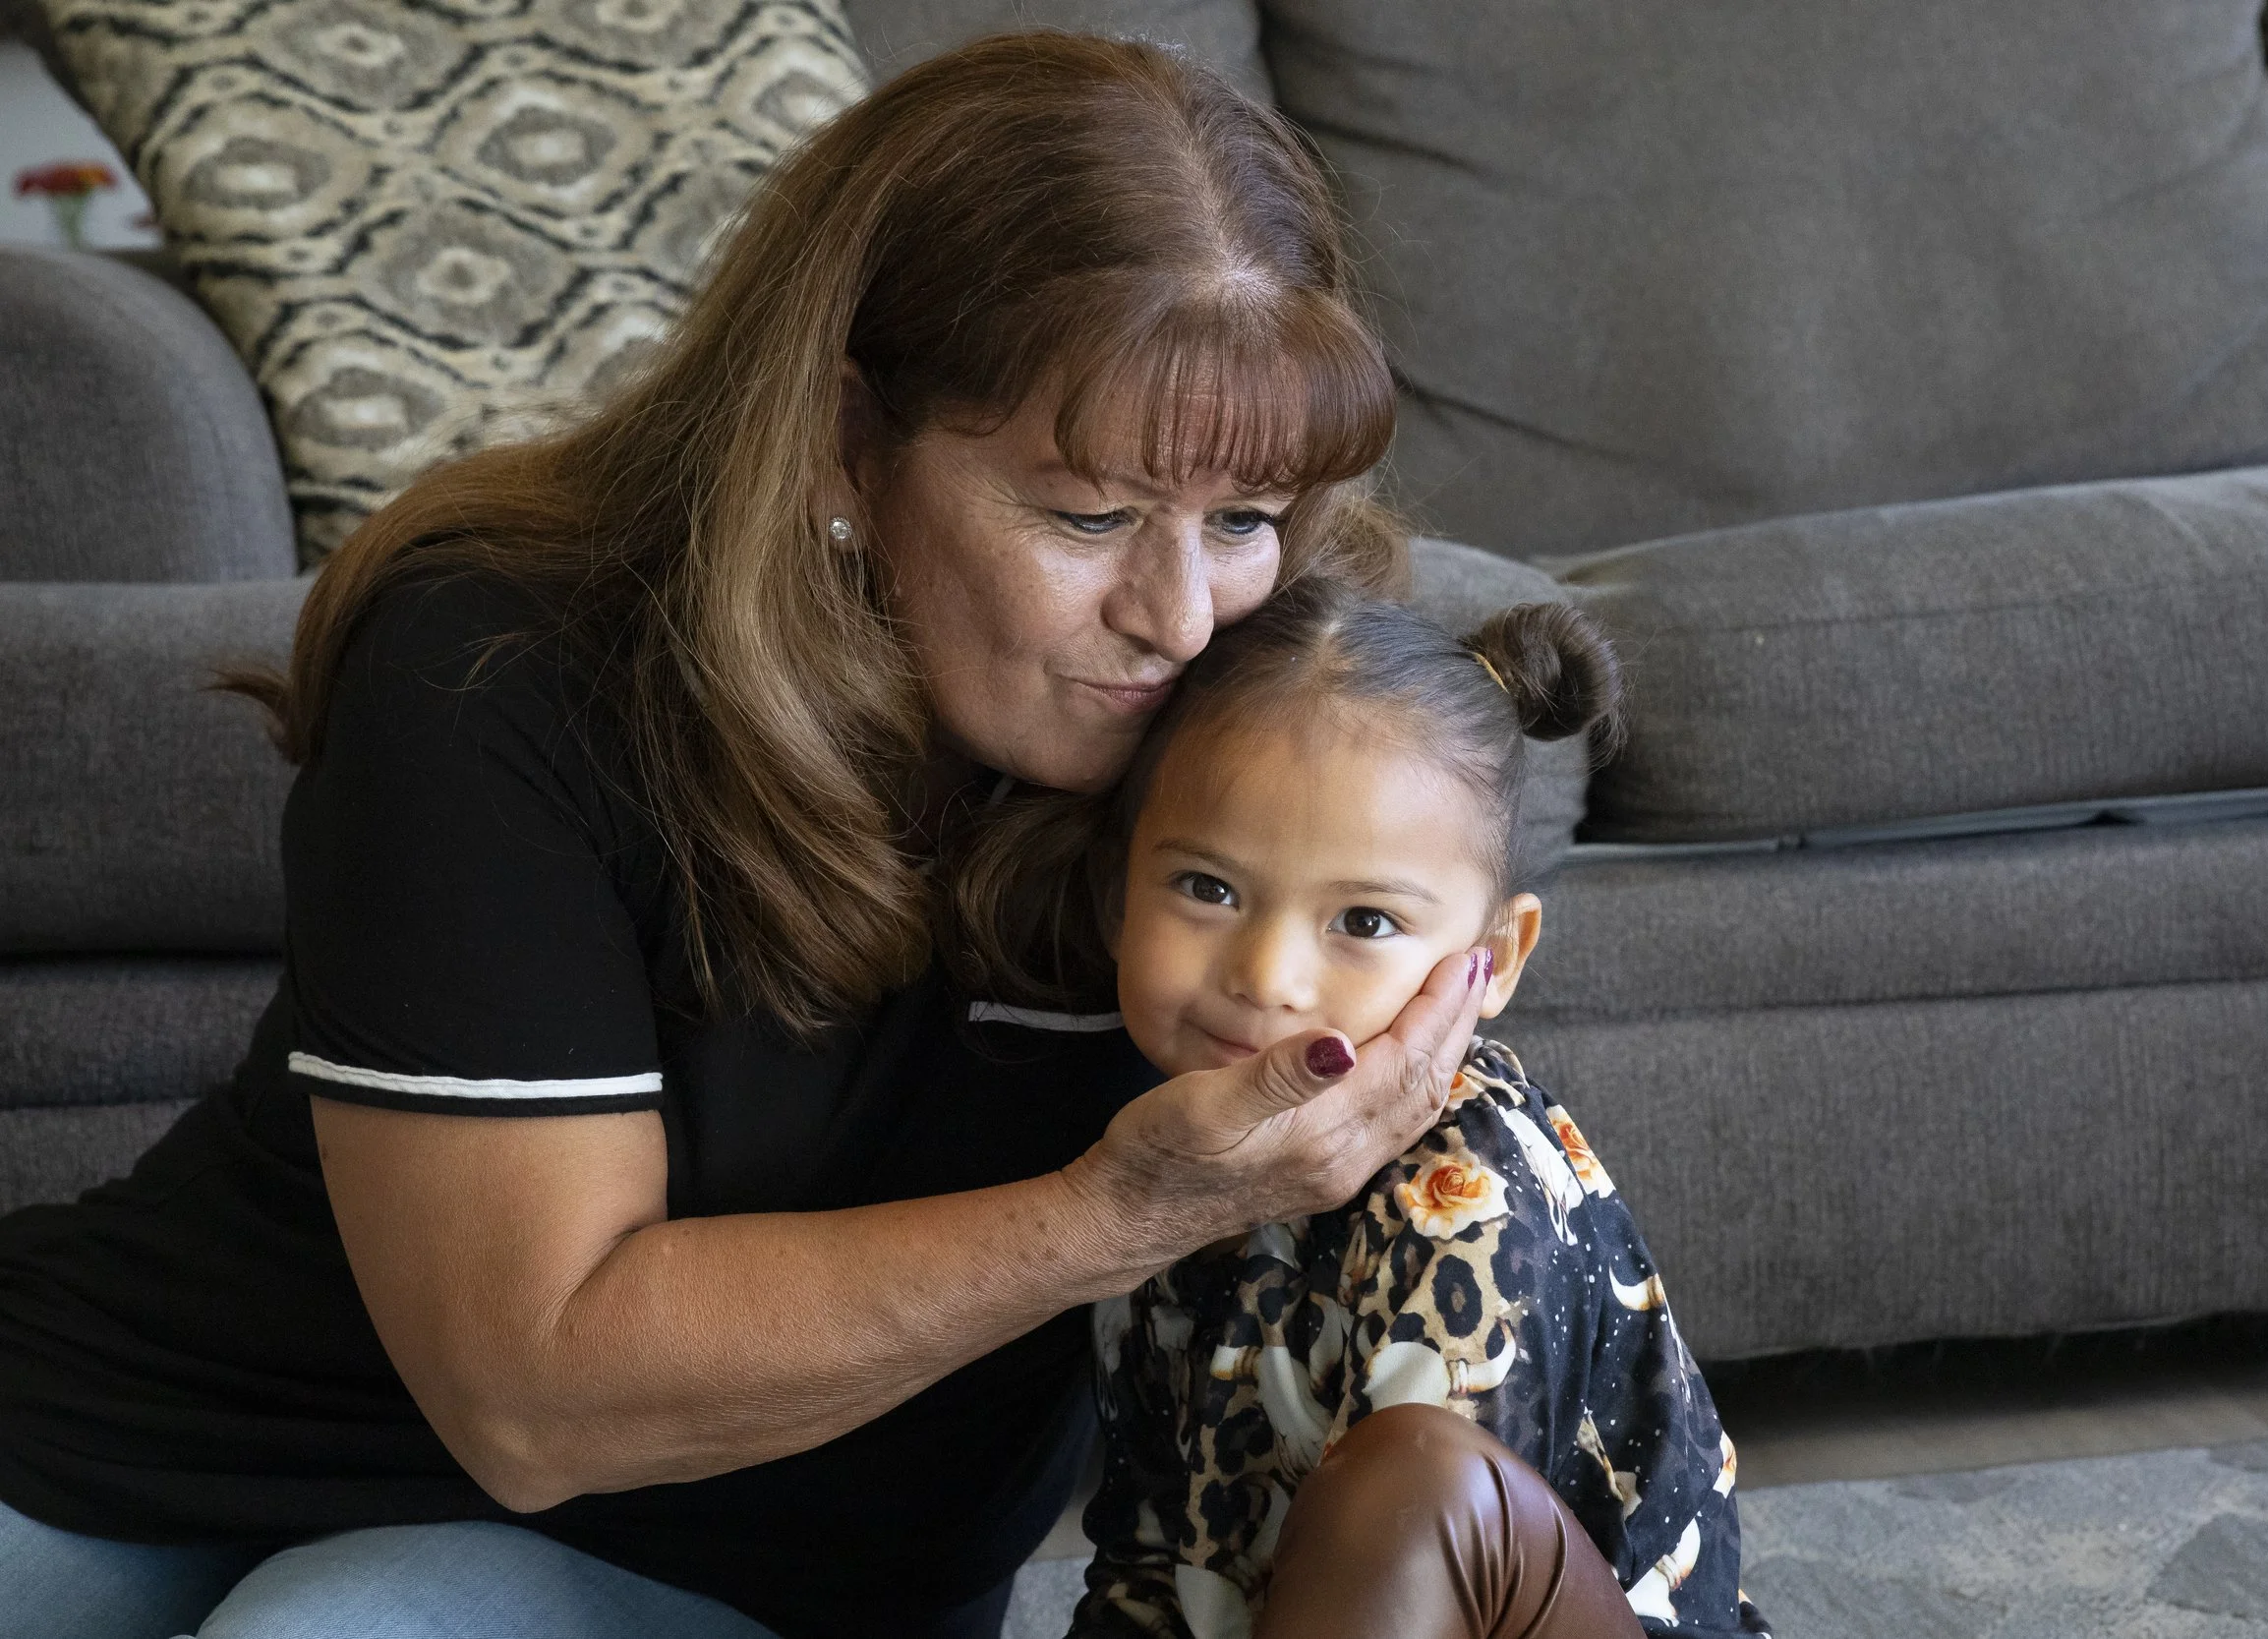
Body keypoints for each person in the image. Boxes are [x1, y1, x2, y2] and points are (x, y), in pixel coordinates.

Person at [0, 35, 1492, 1639]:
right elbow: (536, 1388)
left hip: (759, 1564)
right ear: (843, 439)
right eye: (1089, 513)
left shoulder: (1268, 722)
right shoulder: (498, 664)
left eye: (1245, 518)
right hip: (152, 1430)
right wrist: (1118, 1211)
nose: (1179, 614)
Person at [944, 582, 1770, 1639]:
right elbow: (1153, 1547)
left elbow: (1426, 1590)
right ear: (1117, 893)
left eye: (1363, 919)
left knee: (1413, 1481)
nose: (1269, 974)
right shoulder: (1152, 1160)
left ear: (1493, 959)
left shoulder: (1463, 1205)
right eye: (1207, 888)